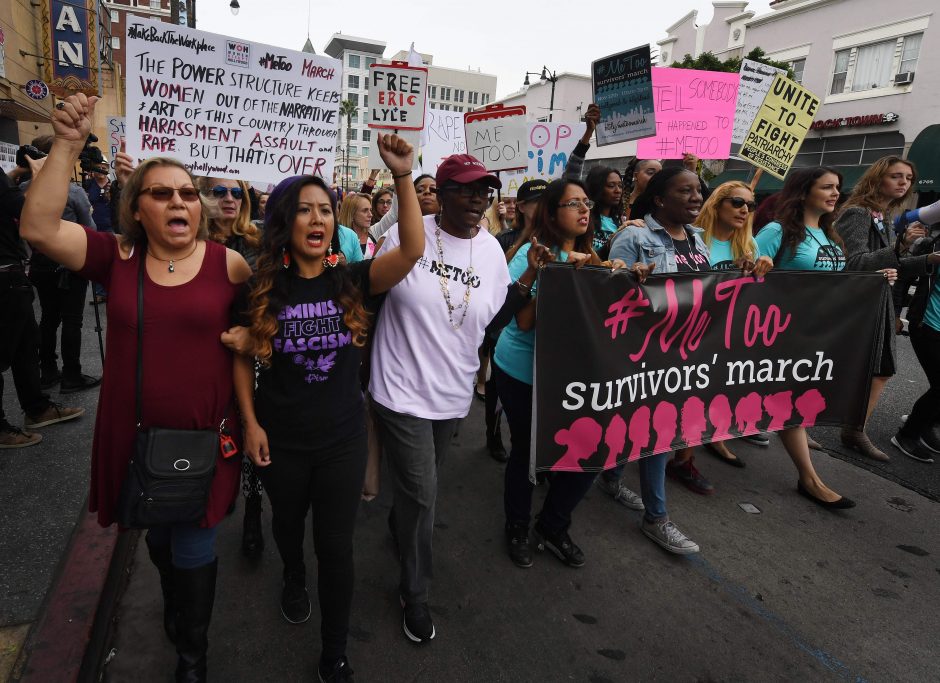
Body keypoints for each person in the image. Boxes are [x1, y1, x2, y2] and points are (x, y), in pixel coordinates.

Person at [20, 93, 252, 682]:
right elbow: (39, 227)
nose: (178, 200)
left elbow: (260, 337)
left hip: (207, 437)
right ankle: (175, 605)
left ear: (198, 208)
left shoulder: (230, 264)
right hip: (133, 435)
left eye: (186, 193)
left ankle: (191, 659)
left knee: (196, 541)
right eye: (161, 193)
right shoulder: (115, 257)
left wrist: (255, 347)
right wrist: (68, 142)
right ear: (137, 208)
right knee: (157, 536)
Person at [233, 134, 422, 682]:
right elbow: (241, 357)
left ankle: (334, 651)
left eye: (324, 210)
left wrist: (403, 176)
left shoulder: (353, 281)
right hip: (282, 441)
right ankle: (292, 574)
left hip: (342, 440)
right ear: (285, 223)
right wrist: (250, 424)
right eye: (304, 211)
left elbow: (410, 251)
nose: (317, 219)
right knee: (289, 530)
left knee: (336, 548)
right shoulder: (260, 287)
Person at [369, 154, 511, 643]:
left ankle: (397, 521)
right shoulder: (408, 235)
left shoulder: (492, 251)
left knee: (416, 492)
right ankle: (415, 592)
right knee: (424, 495)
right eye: (467, 190)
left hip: (452, 397)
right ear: (442, 192)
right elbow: (360, 278)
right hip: (399, 389)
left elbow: (491, 315)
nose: (478, 199)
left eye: (484, 192)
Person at [496, 178, 641, 569]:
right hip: (525, 372)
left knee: (590, 449)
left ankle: (553, 524)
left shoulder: (593, 256)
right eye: (572, 203)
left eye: (586, 203)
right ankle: (517, 524)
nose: (583, 210)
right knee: (529, 453)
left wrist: (623, 278)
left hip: (576, 377)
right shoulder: (529, 253)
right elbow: (523, 321)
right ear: (551, 212)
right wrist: (554, 274)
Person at [605, 167, 710, 554]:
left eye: (698, 190)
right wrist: (629, 279)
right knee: (656, 430)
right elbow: (608, 295)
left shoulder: (699, 239)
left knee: (652, 428)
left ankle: (613, 477)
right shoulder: (633, 236)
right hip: (642, 354)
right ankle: (656, 518)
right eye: (685, 191)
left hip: (684, 353)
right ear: (661, 199)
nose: (696, 197)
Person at [753, 167, 863, 508]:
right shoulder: (777, 230)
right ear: (804, 192)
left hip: (814, 332)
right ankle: (810, 479)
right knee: (788, 400)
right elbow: (744, 271)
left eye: (838, 188)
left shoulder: (831, 236)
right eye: (827, 187)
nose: (835, 193)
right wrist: (759, 265)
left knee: (783, 398)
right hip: (779, 332)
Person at [834, 156, 930, 462]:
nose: (904, 183)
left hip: (878, 302)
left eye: (909, 178)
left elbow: (892, 264)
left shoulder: (883, 215)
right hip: (858, 304)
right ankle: (806, 424)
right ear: (878, 178)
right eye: (896, 176)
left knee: (880, 370)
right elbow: (856, 263)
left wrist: (929, 260)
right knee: (851, 368)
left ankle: (854, 428)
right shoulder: (857, 213)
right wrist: (899, 247)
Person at [1, 169, 84, 449]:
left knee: (27, 344)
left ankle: (37, 408)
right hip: (5, 273)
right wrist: (42, 175)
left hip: (15, 272)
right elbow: (29, 211)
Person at [695, 181, 774, 465]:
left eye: (750, 205)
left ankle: (714, 435)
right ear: (717, 204)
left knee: (721, 385)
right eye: (738, 203)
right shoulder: (695, 237)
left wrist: (760, 266)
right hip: (694, 328)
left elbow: (754, 290)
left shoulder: (747, 243)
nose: (745, 210)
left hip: (728, 329)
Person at [21, 135, 100, 393]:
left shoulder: (23, 189)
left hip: (39, 264)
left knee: (49, 318)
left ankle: (48, 370)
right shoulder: (73, 190)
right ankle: (72, 375)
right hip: (69, 264)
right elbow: (91, 229)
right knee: (71, 321)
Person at [199, 177, 263, 271]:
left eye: (236, 193)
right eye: (220, 191)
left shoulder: (259, 238)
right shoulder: (194, 241)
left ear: (243, 200)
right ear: (205, 198)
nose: (229, 199)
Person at [84, 164, 120, 303]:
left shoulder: (112, 185)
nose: (101, 170)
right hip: (93, 226)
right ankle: (100, 292)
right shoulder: (88, 184)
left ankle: (112, 290)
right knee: (97, 260)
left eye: (104, 167)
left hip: (110, 226)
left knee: (112, 260)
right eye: (98, 167)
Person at [338, 192, 377, 258]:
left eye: (370, 210)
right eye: (365, 211)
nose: (370, 215)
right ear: (351, 214)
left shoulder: (372, 235)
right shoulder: (339, 238)